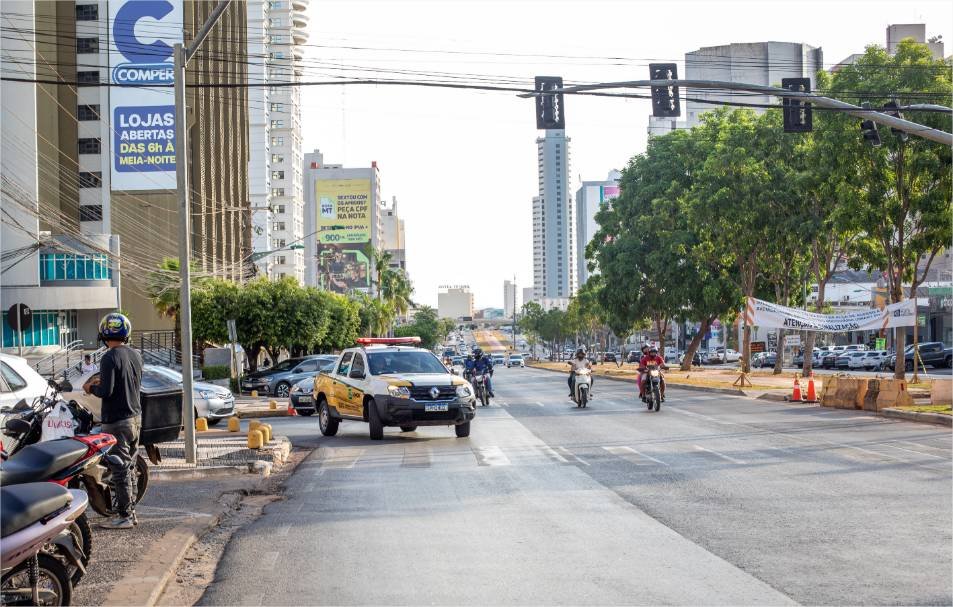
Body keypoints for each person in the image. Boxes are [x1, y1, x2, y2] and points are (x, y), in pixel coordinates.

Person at [83, 312, 143, 530]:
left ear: (104, 334)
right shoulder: (136, 355)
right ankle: (131, 511)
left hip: (117, 420)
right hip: (135, 418)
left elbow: (106, 391)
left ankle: (125, 515)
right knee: (130, 466)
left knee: (119, 468)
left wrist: (90, 388)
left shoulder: (109, 357)